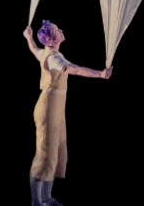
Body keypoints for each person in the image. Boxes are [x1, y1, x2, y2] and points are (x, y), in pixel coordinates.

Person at [23, 20, 114, 206]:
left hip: (55, 108)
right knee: (45, 153)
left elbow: (34, 50)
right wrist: (100, 74)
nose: (61, 30)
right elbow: (76, 70)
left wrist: (29, 37)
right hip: (48, 108)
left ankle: (46, 198)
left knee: (55, 151)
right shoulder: (54, 58)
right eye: (57, 30)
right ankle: (36, 202)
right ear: (50, 40)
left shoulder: (48, 53)